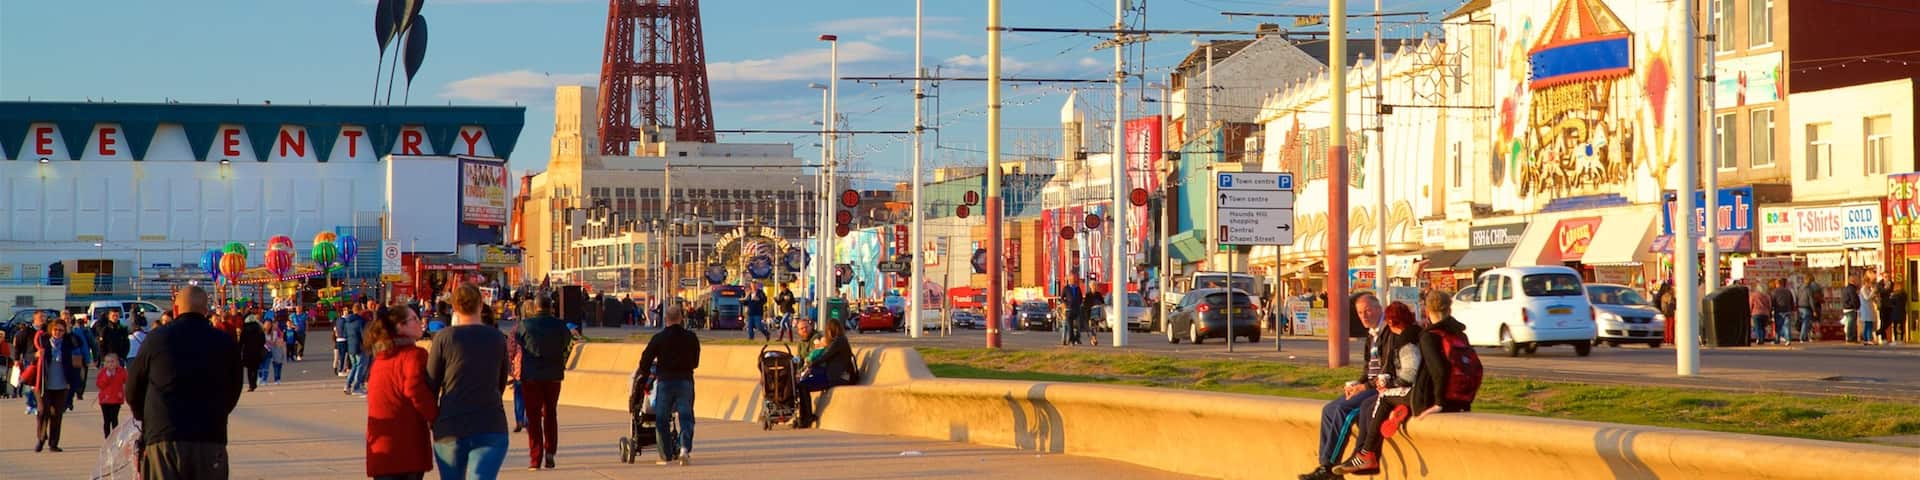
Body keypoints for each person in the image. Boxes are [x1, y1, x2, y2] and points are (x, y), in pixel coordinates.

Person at [129, 286, 244, 477]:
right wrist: (218, 412)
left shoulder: (157, 339)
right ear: (206, 311)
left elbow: (133, 388)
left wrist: (145, 416)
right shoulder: (224, 342)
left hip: (163, 435)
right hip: (210, 436)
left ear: (175, 310)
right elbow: (235, 387)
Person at [426, 284, 513, 480]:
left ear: (454, 308)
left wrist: (432, 420)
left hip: (450, 425)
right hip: (490, 423)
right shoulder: (497, 338)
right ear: (481, 305)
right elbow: (500, 383)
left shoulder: (443, 338)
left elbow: (431, 383)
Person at [1297, 293, 1385, 480]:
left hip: (1380, 390)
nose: (1364, 316)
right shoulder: (1371, 335)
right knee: (1329, 409)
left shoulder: (1387, 332)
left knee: (1343, 411)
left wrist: (1365, 387)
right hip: (1368, 386)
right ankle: (1325, 465)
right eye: (1360, 313)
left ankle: (1330, 465)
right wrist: (1358, 384)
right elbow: (1369, 368)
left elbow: (1388, 371)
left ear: (1379, 308)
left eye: (1368, 311)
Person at [1332, 302, 1425, 477]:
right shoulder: (1411, 335)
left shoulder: (1407, 340)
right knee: (1368, 405)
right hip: (1412, 389)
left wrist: (1389, 383)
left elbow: (1409, 374)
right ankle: (1363, 455)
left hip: (1413, 391)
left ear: (1391, 322)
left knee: (1379, 400)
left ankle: (1367, 454)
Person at [366, 303, 438, 480]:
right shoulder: (414, 355)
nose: (420, 322)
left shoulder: (381, 358)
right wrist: (436, 418)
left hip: (382, 446)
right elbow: (415, 390)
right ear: (400, 326)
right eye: (414, 319)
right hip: (406, 443)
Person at [637, 303, 700, 466]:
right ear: (681, 318)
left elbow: (645, 361)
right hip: (685, 380)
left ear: (666, 319)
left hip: (665, 381)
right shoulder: (691, 337)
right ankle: (684, 448)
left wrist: (645, 374)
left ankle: (666, 454)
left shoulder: (659, 338)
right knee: (686, 416)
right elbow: (695, 362)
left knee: (662, 418)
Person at [514, 297, 573, 471]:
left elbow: (518, 344)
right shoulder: (560, 325)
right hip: (553, 375)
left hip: (531, 376)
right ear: (551, 307)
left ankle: (535, 457)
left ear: (536, 307)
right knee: (550, 413)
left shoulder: (525, 325)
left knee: (533, 417)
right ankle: (550, 452)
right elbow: (567, 343)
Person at [28, 319, 84, 452]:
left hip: (62, 385)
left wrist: (70, 332)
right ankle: (41, 438)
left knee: (57, 415)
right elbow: (28, 355)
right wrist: (36, 355)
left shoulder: (67, 343)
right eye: (55, 329)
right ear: (51, 330)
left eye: (61, 330)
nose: (58, 332)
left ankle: (53, 443)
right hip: (43, 384)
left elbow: (79, 343)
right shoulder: (43, 342)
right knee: (43, 412)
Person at [1413, 292, 1473, 417]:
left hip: (1432, 400)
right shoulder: (1460, 334)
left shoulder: (1429, 336)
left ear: (1427, 311)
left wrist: (1439, 403)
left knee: (1384, 400)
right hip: (1460, 399)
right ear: (1449, 310)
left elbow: (1438, 371)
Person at [797, 317, 857, 430]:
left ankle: (807, 416)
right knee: (802, 384)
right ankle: (804, 417)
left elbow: (825, 356)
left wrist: (811, 364)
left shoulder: (839, 341)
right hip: (833, 374)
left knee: (803, 385)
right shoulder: (839, 340)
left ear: (830, 330)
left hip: (839, 377)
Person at [345, 301, 374, 395]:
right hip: (360, 347)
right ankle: (356, 387)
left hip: (351, 346)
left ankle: (348, 385)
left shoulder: (347, 321)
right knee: (361, 367)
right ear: (360, 310)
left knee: (354, 366)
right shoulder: (361, 321)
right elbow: (364, 336)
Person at [96, 352, 126, 438]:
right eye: (108, 362)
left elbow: (125, 379)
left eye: (112, 361)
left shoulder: (121, 371)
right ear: (105, 363)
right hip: (105, 400)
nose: (110, 364)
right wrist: (107, 376)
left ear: (117, 362)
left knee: (114, 419)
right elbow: (100, 385)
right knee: (106, 420)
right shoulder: (103, 372)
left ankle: (115, 437)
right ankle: (107, 437)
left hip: (116, 399)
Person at [241, 313, 268, 392]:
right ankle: (254, 383)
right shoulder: (259, 329)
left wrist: (239, 350)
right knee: (255, 368)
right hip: (257, 351)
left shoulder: (245, 329)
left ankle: (251, 385)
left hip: (247, 352)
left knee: (249, 369)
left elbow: (241, 341)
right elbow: (263, 341)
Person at [1770, 279, 1797, 346]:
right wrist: (1792, 309)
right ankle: (1788, 340)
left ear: (1777, 284)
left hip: (1778, 310)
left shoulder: (1774, 292)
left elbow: (1772, 302)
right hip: (1787, 310)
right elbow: (1792, 301)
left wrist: (1771, 309)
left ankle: (1777, 340)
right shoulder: (1788, 291)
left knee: (1778, 326)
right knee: (1786, 326)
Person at [1795, 275, 1820, 343]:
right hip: (1806, 307)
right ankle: (1802, 337)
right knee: (1805, 323)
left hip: (1800, 307)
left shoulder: (1800, 288)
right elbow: (1811, 300)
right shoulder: (1809, 289)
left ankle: (1805, 337)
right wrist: (1814, 310)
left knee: (1804, 322)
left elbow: (1797, 297)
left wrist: (1797, 306)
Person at [1747, 280, 1773, 346]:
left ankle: (1759, 339)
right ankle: (1762, 339)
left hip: (1756, 313)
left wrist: (1749, 312)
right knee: (1763, 327)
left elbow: (1750, 304)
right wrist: (1769, 312)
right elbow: (1769, 305)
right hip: (1765, 314)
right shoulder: (1767, 296)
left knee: (1758, 327)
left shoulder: (1753, 295)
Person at [1883, 278, 1907, 346]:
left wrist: (1890, 297)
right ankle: (1902, 339)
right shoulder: (1904, 294)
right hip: (1902, 312)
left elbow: (1890, 303)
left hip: (1895, 312)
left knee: (1895, 326)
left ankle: (1896, 339)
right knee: (1902, 326)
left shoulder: (1895, 295)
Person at [1061, 278, 1084, 346]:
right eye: (1071, 279)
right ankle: (1071, 340)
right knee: (1070, 326)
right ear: (1069, 280)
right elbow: (1062, 298)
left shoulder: (1077, 288)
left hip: (1076, 309)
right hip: (1069, 309)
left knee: (1079, 326)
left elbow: (1081, 298)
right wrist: (1065, 304)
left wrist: (1079, 304)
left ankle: (1077, 338)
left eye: (1073, 279)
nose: (1072, 280)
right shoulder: (1066, 288)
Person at [1861, 274, 1881, 346]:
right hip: (1865, 309)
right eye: (1869, 283)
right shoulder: (1863, 289)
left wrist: (1874, 296)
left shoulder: (1868, 289)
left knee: (1868, 324)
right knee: (1868, 324)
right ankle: (1868, 339)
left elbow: (1871, 298)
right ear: (1865, 282)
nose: (1870, 284)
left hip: (1869, 308)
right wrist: (1873, 292)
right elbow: (1867, 298)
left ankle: (1867, 339)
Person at [265, 320, 288, 385]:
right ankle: (275, 379)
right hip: (272, 350)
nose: (276, 326)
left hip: (279, 350)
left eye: (277, 324)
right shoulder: (271, 332)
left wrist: (280, 341)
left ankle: (278, 379)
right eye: (275, 324)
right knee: (275, 365)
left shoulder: (278, 331)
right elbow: (271, 341)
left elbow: (282, 340)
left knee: (279, 365)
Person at [1843, 276, 1863, 343]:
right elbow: (1853, 299)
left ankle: (1850, 337)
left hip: (1847, 308)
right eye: (1856, 280)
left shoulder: (1847, 288)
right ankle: (1851, 338)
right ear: (1853, 281)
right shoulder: (1852, 289)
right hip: (1851, 308)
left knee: (1850, 324)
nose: (1857, 282)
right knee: (1852, 324)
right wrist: (1856, 306)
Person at [336, 310, 353, 376]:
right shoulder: (346, 321)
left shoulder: (338, 320)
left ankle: (342, 368)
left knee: (341, 356)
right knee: (344, 356)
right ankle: (341, 370)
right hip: (344, 339)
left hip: (338, 339)